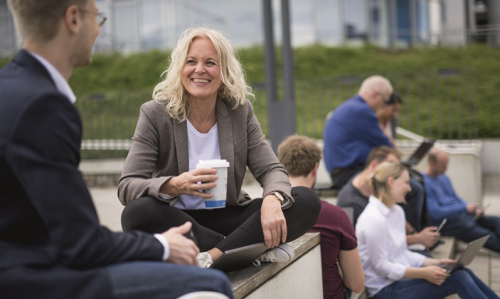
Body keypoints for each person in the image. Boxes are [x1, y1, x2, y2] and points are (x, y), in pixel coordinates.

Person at [0, 1, 233, 299]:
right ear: (73, 18)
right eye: (97, 17)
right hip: (31, 278)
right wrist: (162, 246)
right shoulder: (42, 105)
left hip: (26, 262)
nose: (99, 30)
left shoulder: (10, 87)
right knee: (212, 284)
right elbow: (82, 243)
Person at [118, 28, 321, 268]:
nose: (200, 69)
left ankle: (213, 256)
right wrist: (175, 185)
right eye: (191, 61)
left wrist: (273, 199)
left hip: (228, 215)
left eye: (210, 62)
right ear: (180, 68)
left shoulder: (239, 111)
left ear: (223, 71)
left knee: (305, 199)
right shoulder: (155, 114)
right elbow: (127, 186)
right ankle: (244, 251)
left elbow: (271, 169)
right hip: (179, 221)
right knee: (137, 212)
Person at [357, 162, 499, 299]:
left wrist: (435, 263)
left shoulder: (396, 211)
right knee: (459, 279)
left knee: (461, 271)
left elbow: (402, 254)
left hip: (398, 281)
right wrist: (423, 273)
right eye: (406, 182)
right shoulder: (374, 220)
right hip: (386, 290)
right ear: (391, 182)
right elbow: (381, 267)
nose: (410, 189)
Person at [277, 135, 364, 299]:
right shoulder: (336, 215)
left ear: (281, 167)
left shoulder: (266, 211)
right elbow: (356, 283)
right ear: (315, 169)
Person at [337, 146, 438, 253]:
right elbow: (360, 247)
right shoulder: (350, 203)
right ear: (374, 165)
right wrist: (417, 239)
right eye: (390, 167)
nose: (395, 175)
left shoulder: (371, 186)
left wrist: (414, 233)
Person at [424, 149, 500, 253]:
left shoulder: (444, 178)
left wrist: (472, 208)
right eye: (443, 165)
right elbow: (435, 213)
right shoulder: (424, 183)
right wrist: (464, 208)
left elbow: (456, 199)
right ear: (432, 162)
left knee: (497, 221)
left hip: (463, 216)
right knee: (488, 235)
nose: (446, 168)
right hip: (450, 224)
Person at [323, 75, 393, 189]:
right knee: (413, 188)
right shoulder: (362, 111)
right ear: (375, 94)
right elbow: (387, 147)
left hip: (341, 173)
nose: (385, 105)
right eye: (385, 100)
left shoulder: (351, 106)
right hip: (349, 173)